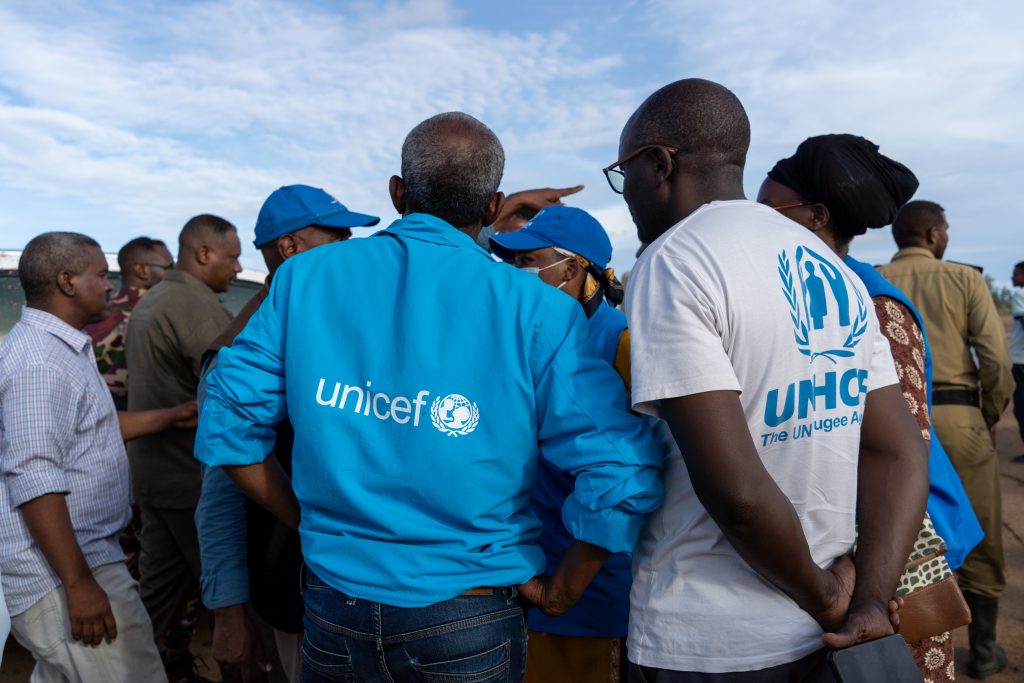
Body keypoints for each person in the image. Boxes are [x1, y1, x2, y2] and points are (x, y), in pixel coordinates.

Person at [195, 111, 664, 683]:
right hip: (468, 609)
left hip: (333, 602)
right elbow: (622, 467)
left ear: (397, 193)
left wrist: (307, 520)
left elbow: (227, 424)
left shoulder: (306, 279)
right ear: (492, 209)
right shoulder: (537, 308)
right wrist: (561, 590)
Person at [610, 79, 928, 681]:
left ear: (659, 163)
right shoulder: (831, 268)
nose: (624, 191)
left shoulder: (674, 261)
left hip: (708, 640)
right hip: (820, 644)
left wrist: (830, 598)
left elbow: (741, 495)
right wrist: (864, 601)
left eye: (622, 170)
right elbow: (899, 450)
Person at [758, 133, 983, 680]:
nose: (753, 226)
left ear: (814, 216)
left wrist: (867, 582)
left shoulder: (871, 304)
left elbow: (897, 456)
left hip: (884, 557)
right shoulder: (801, 292)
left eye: (768, 213)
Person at [196, 184, 380, 683]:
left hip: (361, 584)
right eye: (337, 235)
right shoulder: (243, 346)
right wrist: (229, 611)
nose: (349, 247)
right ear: (291, 248)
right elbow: (220, 492)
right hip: (296, 588)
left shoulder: (329, 316)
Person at [0, 232, 168, 682]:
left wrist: (176, 416)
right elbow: (34, 477)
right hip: (68, 571)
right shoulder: (39, 363)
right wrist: (78, 584)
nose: (111, 285)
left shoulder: (61, 349)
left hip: (81, 560)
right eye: (101, 275)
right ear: (67, 281)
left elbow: (93, 431)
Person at [490, 206, 632, 682]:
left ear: (571, 269)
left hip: (586, 580)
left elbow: (629, 478)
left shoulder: (621, 344)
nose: (516, 274)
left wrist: (569, 584)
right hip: (525, 571)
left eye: (528, 262)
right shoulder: (526, 337)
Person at [879, 201, 1015, 679]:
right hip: (957, 420)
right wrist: (986, 416)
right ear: (934, 235)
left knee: (893, 536)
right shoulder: (965, 279)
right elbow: (996, 363)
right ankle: (981, 650)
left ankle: (897, 650)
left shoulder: (869, 280)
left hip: (884, 425)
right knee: (977, 531)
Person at [126, 214, 242, 670]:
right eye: (232, 258)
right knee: (235, 609)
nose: (236, 269)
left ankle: (127, 673)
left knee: (153, 600)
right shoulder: (193, 306)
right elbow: (235, 387)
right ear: (204, 254)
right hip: (188, 483)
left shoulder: (159, 298)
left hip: (157, 478)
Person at [85, 237, 175, 410]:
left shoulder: (97, 309)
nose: (174, 273)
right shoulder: (162, 310)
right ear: (141, 270)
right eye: (169, 268)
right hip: (140, 414)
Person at [1011, 261, 1024, 462]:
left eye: (1016, 274)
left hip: (1021, 362)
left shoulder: (1020, 295)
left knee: (1021, 407)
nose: (1013, 278)